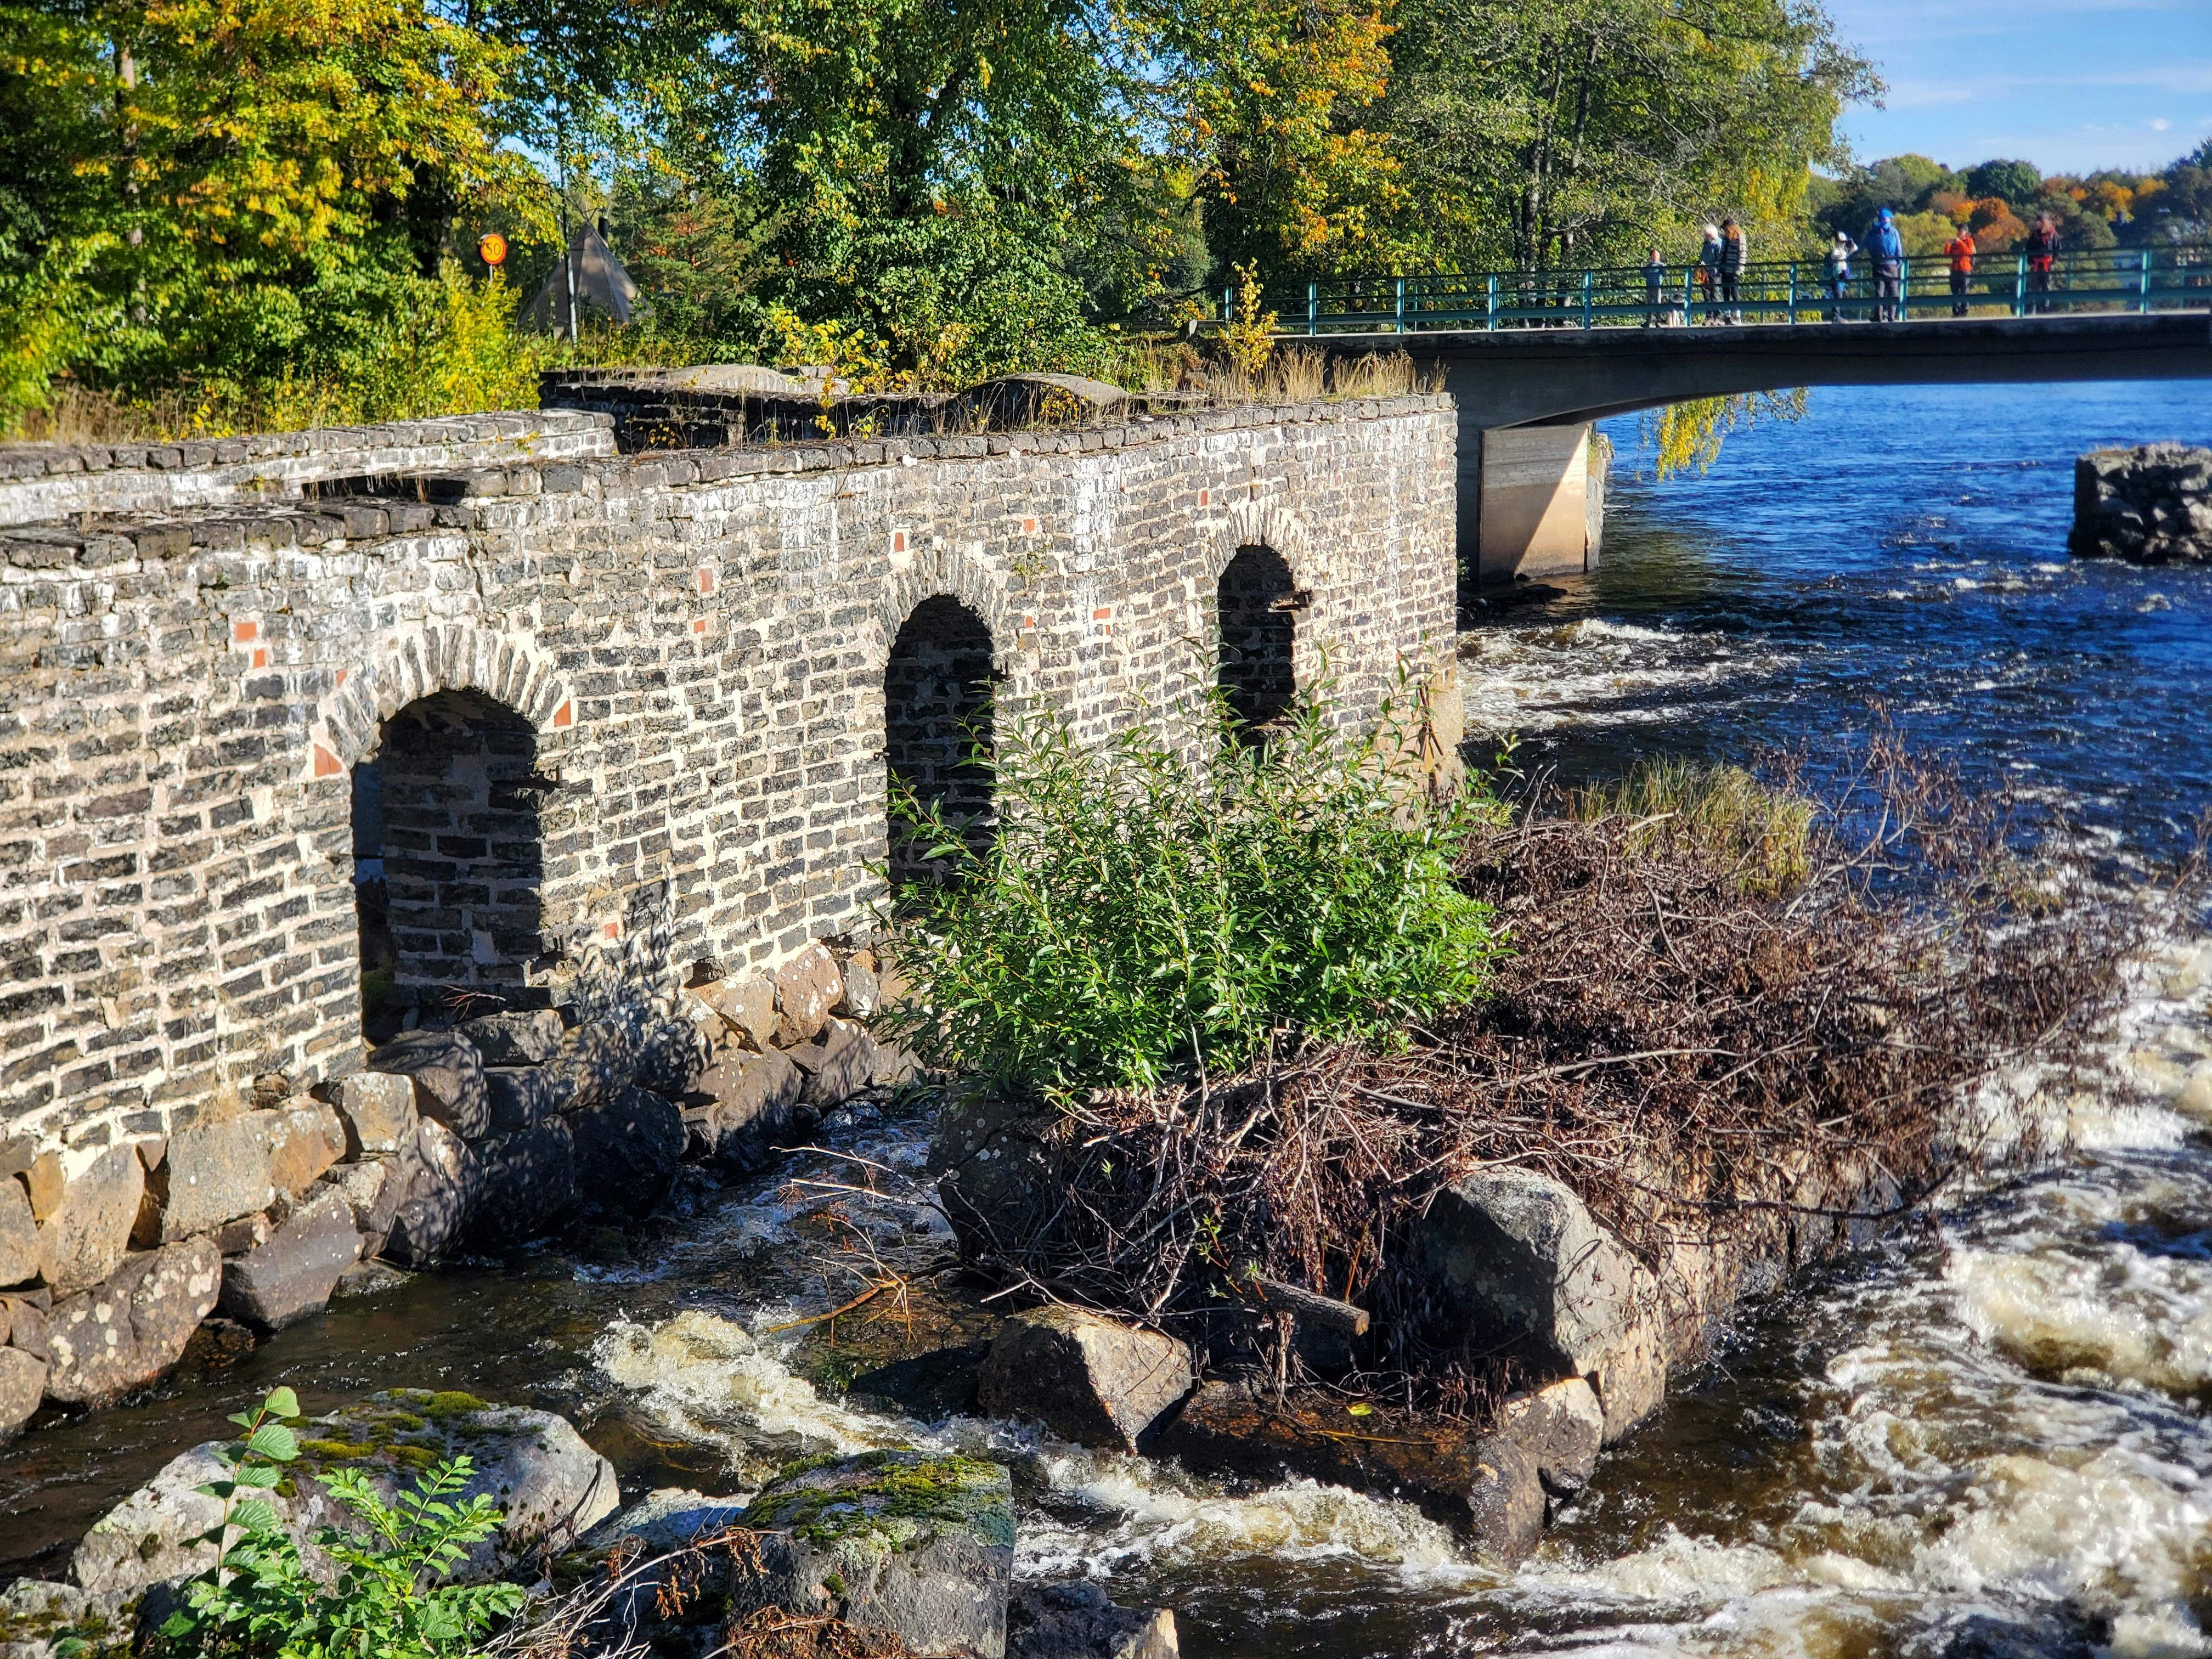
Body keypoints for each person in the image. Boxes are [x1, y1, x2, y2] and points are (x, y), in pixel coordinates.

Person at [1868, 206, 1905, 322]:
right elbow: (1899, 250)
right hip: (1891, 265)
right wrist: (1899, 264)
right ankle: (1891, 317)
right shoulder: (1893, 231)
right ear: (1888, 219)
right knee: (1893, 291)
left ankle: (1878, 316)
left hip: (1877, 264)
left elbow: (1865, 245)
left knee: (1879, 292)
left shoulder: (1873, 231)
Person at [2026, 212, 2061, 312]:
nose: (2037, 224)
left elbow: (2058, 249)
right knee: (2034, 287)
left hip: (2047, 266)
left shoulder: (2053, 235)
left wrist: (2053, 262)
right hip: (2036, 265)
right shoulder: (2034, 235)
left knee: (2046, 287)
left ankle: (2046, 309)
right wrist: (2031, 262)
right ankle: (2033, 309)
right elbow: (2028, 249)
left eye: (2039, 222)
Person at [1718, 217, 1747, 322]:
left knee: (1734, 292)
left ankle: (1738, 316)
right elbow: (1722, 253)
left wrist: (1739, 270)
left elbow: (1742, 254)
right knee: (1726, 293)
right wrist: (1720, 266)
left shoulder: (1740, 238)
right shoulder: (1726, 239)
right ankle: (1727, 316)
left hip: (1734, 270)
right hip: (1725, 269)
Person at [1824, 230, 1858, 321]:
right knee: (1837, 295)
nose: (1843, 244)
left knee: (1839, 295)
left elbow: (1855, 249)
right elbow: (1835, 256)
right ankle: (1836, 316)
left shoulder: (1843, 251)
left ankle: (1837, 315)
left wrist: (1852, 244)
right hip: (1836, 276)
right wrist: (1846, 254)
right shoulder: (1836, 251)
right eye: (1842, 242)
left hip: (1841, 276)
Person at [1944, 223, 1976, 316]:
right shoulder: (1955, 243)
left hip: (1965, 269)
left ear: (1966, 233)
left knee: (1964, 290)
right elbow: (1947, 253)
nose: (1959, 233)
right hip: (1955, 269)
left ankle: (1965, 309)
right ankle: (1956, 309)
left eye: (1961, 232)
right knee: (1954, 290)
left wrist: (1961, 242)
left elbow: (1968, 252)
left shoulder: (1969, 241)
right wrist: (1948, 244)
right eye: (1958, 232)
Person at [1697, 223, 1722, 321]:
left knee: (1715, 294)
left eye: (1708, 235)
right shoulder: (1706, 244)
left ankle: (1717, 317)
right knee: (1706, 295)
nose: (1706, 237)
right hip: (1704, 273)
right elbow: (1703, 256)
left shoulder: (1718, 244)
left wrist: (1709, 265)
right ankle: (1709, 317)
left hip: (1715, 273)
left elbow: (1720, 260)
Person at [1643, 245, 1668, 326]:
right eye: (1654, 255)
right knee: (1649, 304)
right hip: (1649, 286)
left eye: (1657, 255)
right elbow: (1644, 275)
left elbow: (1664, 274)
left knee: (1658, 303)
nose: (1655, 257)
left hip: (1657, 286)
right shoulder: (1649, 266)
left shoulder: (1661, 265)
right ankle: (1648, 321)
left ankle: (1658, 321)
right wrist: (1642, 269)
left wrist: (1662, 269)